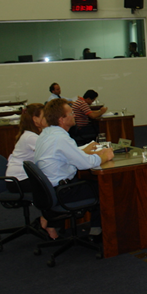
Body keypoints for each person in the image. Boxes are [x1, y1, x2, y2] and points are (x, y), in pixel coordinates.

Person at [34, 99, 114, 238]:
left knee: (92, 183)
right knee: (106, 187)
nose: (74, 115)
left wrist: (85, 152)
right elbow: (86, 164)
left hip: (49, 190)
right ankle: (100, 233)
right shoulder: (60, 138)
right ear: (62, 120)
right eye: (71, 113)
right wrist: (105, 156)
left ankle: (95, 227)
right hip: (63, 192)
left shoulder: (46, 134)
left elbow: (67, 155)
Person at [4, 103, 60, 239]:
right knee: (55, 185)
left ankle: (47, 218)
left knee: (54, 182)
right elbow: (53, 153)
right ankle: (48, 222)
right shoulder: (31, 137)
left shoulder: (32, 134)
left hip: (20, 178)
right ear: (35, 119)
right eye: (44, 116)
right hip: (18, 181)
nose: (47, 119)